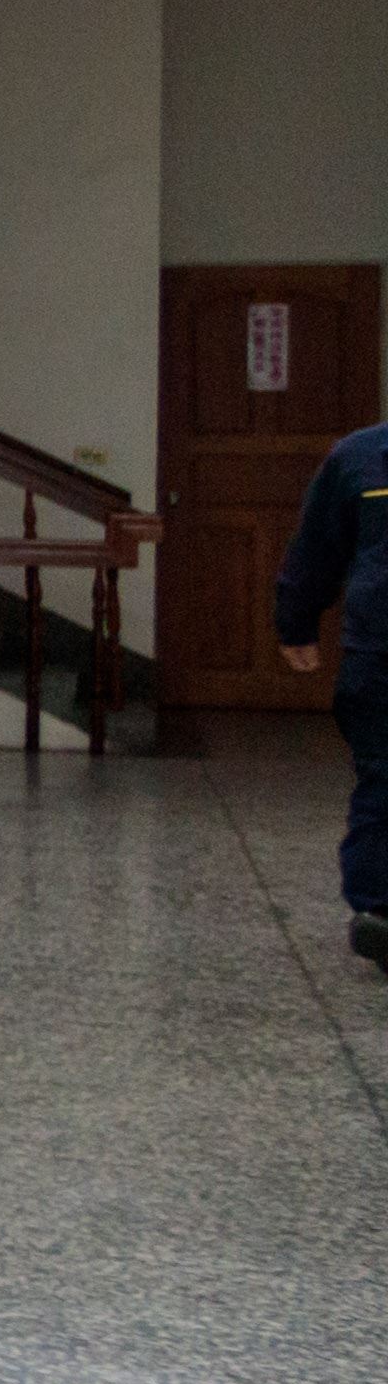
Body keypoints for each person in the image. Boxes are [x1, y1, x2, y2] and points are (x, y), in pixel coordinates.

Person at [289, 411, 388, 968]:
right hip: (379, 655)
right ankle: (379, 912)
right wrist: (296, 618)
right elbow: (318, 546)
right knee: (384, 779)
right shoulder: (359, 458)